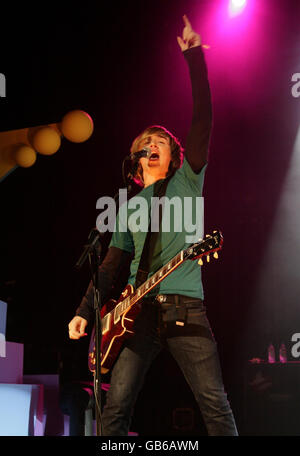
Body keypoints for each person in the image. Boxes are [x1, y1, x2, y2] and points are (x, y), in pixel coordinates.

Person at [68, 15, 238, 436]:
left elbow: (203, 120)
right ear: (137, 160)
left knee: (214, 406)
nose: (153, 146)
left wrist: (194, 57)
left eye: (161, 141)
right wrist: (85, 313)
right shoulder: (127, 205)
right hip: (134, 316)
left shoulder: (187, 179)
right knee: (115, 410)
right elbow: (109, 267)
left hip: (186, 310)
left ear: (174, 155)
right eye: (147, 144)